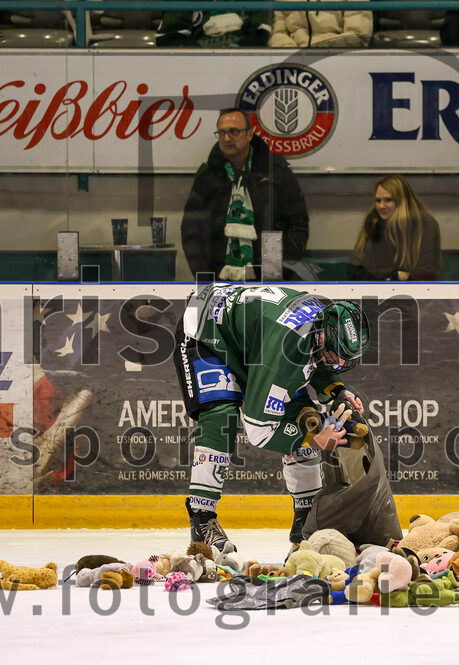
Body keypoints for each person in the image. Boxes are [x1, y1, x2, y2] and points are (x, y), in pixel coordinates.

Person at [174, 283, 369, 552]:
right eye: (336, 355)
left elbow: (316, 362)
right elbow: (258, 430)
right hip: (207, 334)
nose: (339, 364)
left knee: (306, 418)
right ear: (322, 338)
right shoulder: (283, 354)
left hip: (251, 338)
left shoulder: (321, 327)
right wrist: (313, 440)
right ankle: (202, 520)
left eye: (345, 358)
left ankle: (306, 522)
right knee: (221, 420)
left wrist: (336, 390)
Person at [180, 108, 309, 281]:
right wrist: (205, 275)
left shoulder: (275, 172)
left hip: (269, 278)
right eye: (222, 132)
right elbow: (191, 228)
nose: (227, 138)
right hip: (218, 278)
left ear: (249, 134)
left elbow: (298, 224)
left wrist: (282, 268)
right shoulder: (208, 175)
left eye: (234, 131)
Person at [349, 175, 441, 281]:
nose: (381, 206)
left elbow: (426, 273)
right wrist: (389, 277)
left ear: (402, 201)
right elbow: (357, 267)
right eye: (378, 200)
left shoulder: (424, 226)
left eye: (388, 200)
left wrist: (396, 277)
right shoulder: (372, 223)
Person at [268, 1, 372, 48]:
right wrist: (289, 51)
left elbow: (357, 36)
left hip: (337, 59)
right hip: (293, 60)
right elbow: (277, 33)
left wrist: (315, 47)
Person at [156, 6, 272, 47]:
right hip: (197, 68)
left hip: (242, 63)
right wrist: (201, 55)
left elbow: (260, 33)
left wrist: (241, 50)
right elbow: (169, 39)